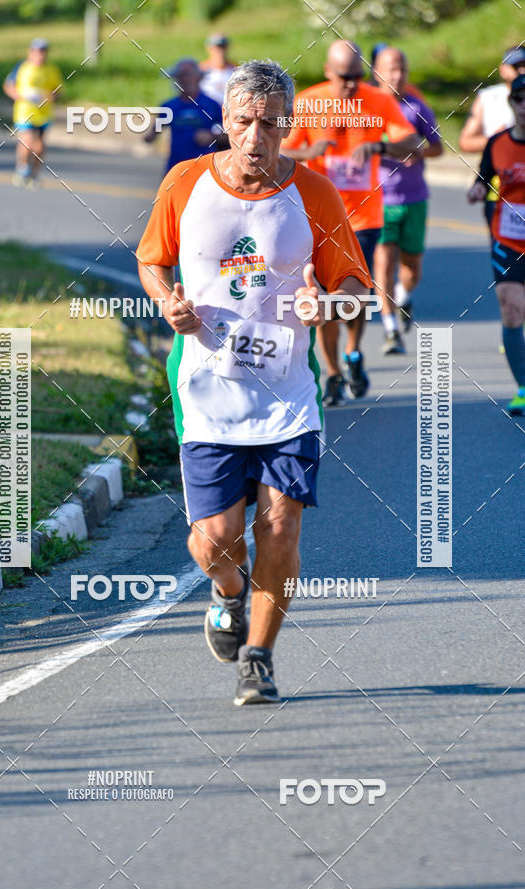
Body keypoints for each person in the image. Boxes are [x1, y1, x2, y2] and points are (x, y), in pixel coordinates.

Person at [136, 60, 371, 704]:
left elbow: (353, 285)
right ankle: (227, 592)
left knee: (282, 527)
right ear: (227, 121)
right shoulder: (185, 184)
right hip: (206, 393)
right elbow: (151, 260)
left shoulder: (316, 195)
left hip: (287, 396)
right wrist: (168, 303)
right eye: (243, 121)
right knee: (216, 542)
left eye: (269, 123)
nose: (254, 135)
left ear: (288, 125)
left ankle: (259, 658)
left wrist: (329, 305)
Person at [282, 40, 419, 406]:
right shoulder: (309, 102)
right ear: (329, 71)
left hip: (364, 218)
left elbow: (412, 141)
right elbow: (281, 149)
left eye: (358, 76)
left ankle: (354, 351)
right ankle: (333, 375)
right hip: (317, 219)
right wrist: (309, 153)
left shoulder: (377, 100)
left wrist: (380, 148)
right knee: (325, 299)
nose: (352, 85)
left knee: (357, 297)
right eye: (345, 77)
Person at [372, 47, 443, 353]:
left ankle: (402, 297)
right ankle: (390, 330)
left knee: (412, 268)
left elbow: (438, 147)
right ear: (377, 73)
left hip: (414, 198)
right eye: (390, 69)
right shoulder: (366, 108)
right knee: (384, 262)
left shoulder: (417, 108)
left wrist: (419, 152)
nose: (396, 76)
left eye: (401, 69)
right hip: (379, 199)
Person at [468, 74, 525, 416]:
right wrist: (476, 191)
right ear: (512, 104)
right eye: (519, 100)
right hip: (508, 238)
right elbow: (481, 179)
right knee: (510, 306)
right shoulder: (498, 142)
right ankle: (523, 387)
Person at [460, 47, 525, 232]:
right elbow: (465, 142)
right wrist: (501, 140)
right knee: (507, 250)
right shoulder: (488, 97)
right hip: (499, 192)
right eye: (516, 66)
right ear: (503, 69)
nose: (522, 71)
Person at [144, 58, 227, 173]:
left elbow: (229, 136)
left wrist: (212, 136)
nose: (185, 79)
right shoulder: (169, 106)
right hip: (175, 169)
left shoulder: (211, 105)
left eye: (189, 75)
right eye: (181, 76)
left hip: (204, 169)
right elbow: (151, 135)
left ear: (198, 77)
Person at [3, 38, 62, 188]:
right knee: (27, 141)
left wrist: (52, 96)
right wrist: (18, 95)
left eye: (43, 52)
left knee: (40, 147)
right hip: (25, 112)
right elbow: (8, 85)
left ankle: (34, 174)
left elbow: (58, 90)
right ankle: (21, 168)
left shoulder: (51, 70)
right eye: (37, 52)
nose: (40, 55)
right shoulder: (22, 67)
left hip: (43, 114)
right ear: (31, 52)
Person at [199, 34, 237, 104]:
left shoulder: (236, 70)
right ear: (209, 48)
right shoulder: (201, 70)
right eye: (217, 47)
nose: (220, 51)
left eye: (223, 47)